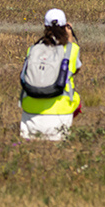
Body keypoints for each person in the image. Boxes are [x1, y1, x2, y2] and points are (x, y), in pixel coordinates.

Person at [19, 8, 83, 141]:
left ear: (45, 26)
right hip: (60, 114)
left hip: (30, 114)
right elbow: (75, 69)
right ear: (65, 26)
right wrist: (70, 38)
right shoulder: (71, 50)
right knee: (76, 98)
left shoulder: (32, 50)